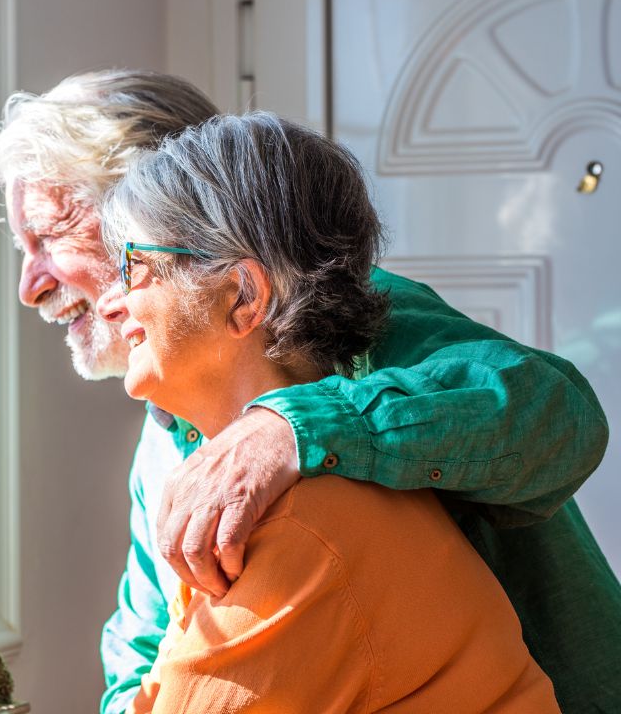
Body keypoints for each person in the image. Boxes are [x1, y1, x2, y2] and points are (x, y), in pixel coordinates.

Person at [0, 69, 620, 713]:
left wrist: (294, 426)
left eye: (49, 235)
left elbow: (560, 420)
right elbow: (145, 649)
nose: (31, 286)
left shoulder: (348, 314)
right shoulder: (164, 426)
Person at [94, 111, 557, 712]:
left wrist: (290, 427)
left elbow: (551, 406)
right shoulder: (226, 478)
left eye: (132, 266)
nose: (108, 304)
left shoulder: (298, 521)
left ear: (243, 296)